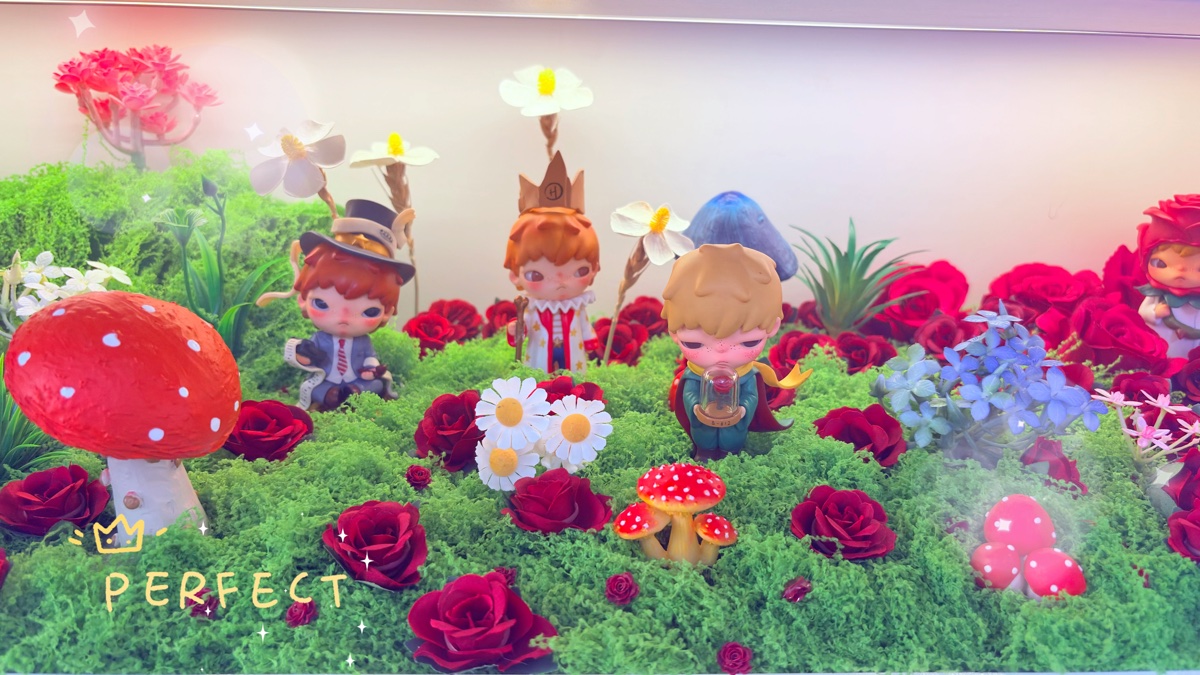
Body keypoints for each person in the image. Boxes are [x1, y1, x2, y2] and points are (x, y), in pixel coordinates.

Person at [261, 199, 414, 411]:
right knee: (316, 389)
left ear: (386, 312)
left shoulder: (363, 342)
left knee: (376, 385)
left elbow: (369, 358)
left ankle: (355, 393)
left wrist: (371, 369)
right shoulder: (320, 339)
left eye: (368, 311)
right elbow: (307, 358)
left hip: (357, 380)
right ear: (303, 299)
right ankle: (331, 397)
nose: (343, 319)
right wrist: (304, 356)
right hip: (327, 381)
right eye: (322, 304)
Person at [662, 243, 811, 461]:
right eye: (695, 344)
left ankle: (731, 456)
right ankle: (703, 452)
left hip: (736, 421)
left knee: (733, 439)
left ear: (773, 327)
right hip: (702, 421)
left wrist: (743, 409)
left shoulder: (746, 375)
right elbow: (689, 392)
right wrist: (695, 407)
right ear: (673, 332)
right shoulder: (694, 375)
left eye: (749, 342)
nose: (721, 352)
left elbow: (751, 394)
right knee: (703, 437)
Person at [504, 152, 600, 373]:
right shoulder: (531, 308)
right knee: (540, 368)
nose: (560, 282)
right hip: (539, 355)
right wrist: (515, 329)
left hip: (573, 355)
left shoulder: (577, 307)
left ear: (595, 269)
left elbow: (584, 325)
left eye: (580, 271)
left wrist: (590, 340)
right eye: (536, 275)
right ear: (514, 274)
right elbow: (523, 330)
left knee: (574, 371)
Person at [1137, 195, 1200, 359]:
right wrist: (1155, 312)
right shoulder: (1157, 296)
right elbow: (1143, 312)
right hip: (1167, 346)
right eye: (1161, 264)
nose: (1179, 273)